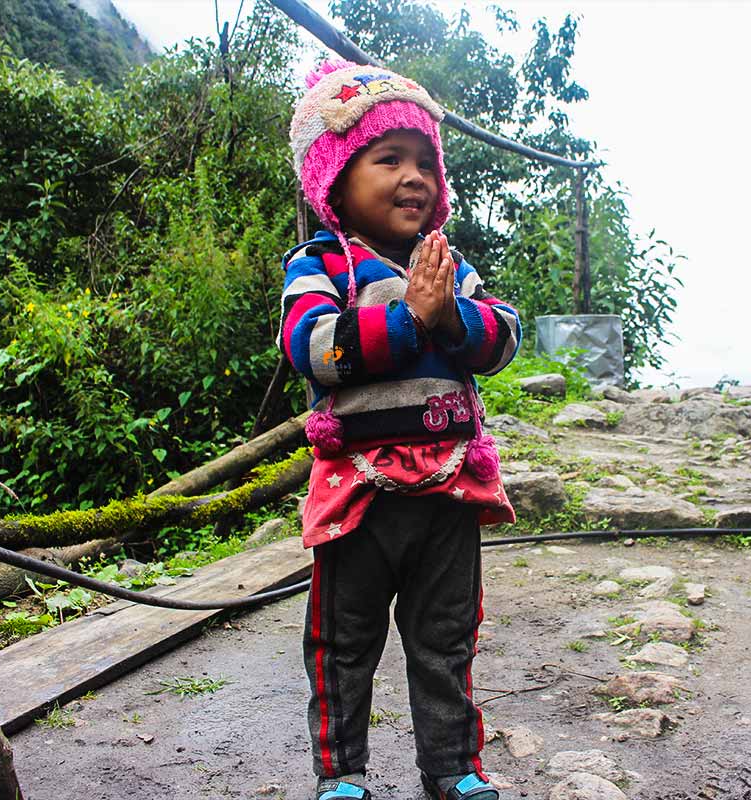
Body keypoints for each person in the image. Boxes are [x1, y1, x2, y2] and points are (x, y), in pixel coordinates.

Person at [279, 59, 522, 800]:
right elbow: (313, 347)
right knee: (343, 644)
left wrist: (450, 312)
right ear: (336, 183)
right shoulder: (322, 264)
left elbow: (503, 336)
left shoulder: (449, 267)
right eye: (389, 159)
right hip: (358, 495)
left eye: (424, 162)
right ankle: (341, 776)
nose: (414, 176)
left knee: (445, 641)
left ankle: (453, 769)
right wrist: (410, 319)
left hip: (449, 490)